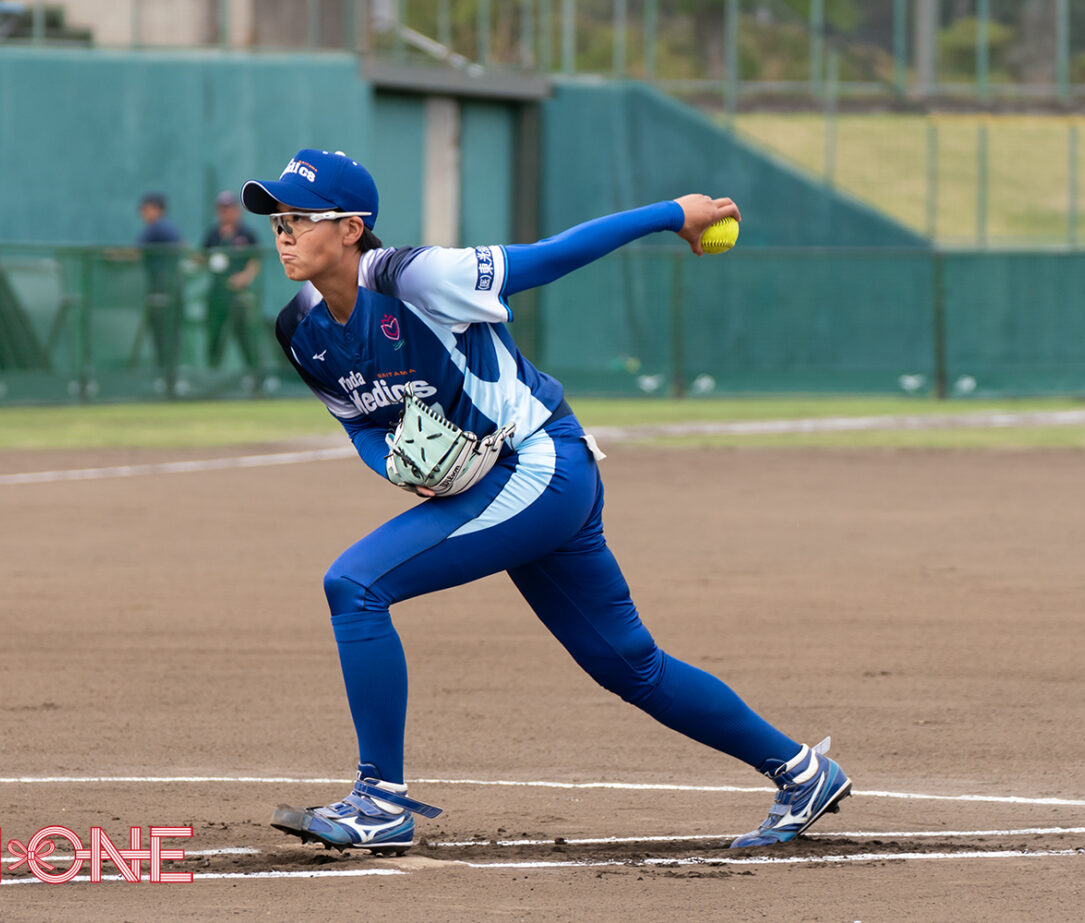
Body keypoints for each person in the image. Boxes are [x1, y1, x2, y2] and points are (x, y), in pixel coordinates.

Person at [243, 149, 853, 855]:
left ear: (351, 228)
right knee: (630, 664)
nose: (284, 234)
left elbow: (548, 258)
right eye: (278, 221)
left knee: (355, 585)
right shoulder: (300, 329)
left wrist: (672, 215)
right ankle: (803, 772)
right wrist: (398, 467)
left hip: (541, 465)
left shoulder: (417, 276)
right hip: (519, 486)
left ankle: (380, 802)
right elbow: (361, 424)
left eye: (299, 218)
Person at [200, 190, 262, 373]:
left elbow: (255, 259)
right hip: (217, 293)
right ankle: (212, 375)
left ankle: (253, 377)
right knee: (215, 335)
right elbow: (202, 256)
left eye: (229, 209)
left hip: (239, 295)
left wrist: (245, 276)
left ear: (236, 210)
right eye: (222, 209)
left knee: (244, 336)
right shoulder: (213, 233)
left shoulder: (246, 233)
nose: (225, 213)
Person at [135, 192, 183, 389]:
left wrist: (113, 255)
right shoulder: (166, 228)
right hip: (171, 289)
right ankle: (169, 378)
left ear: (157, 209)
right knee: (168, 335)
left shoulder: (157, 227)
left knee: (163, 335)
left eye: (147, 208)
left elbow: (135, 253)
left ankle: (167, 379)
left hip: (164, 288)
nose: (143, 213)